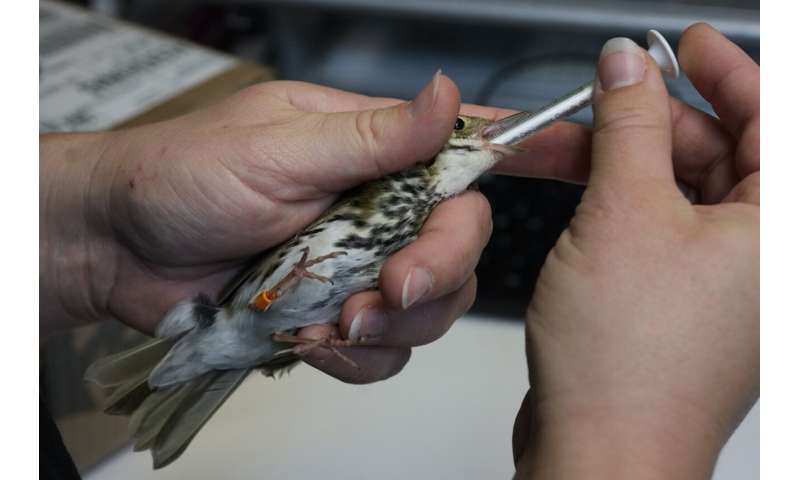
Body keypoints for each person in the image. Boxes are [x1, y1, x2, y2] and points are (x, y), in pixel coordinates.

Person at [40, 23, 758, 478]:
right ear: (429, 155)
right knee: (314, 309)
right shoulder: (391, 190)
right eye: (462, 139)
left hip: (266, 325)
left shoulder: (425, 218)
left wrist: (88, 221)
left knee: (346, 322)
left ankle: (262, 338)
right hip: (244, 307)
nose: (481, 143)